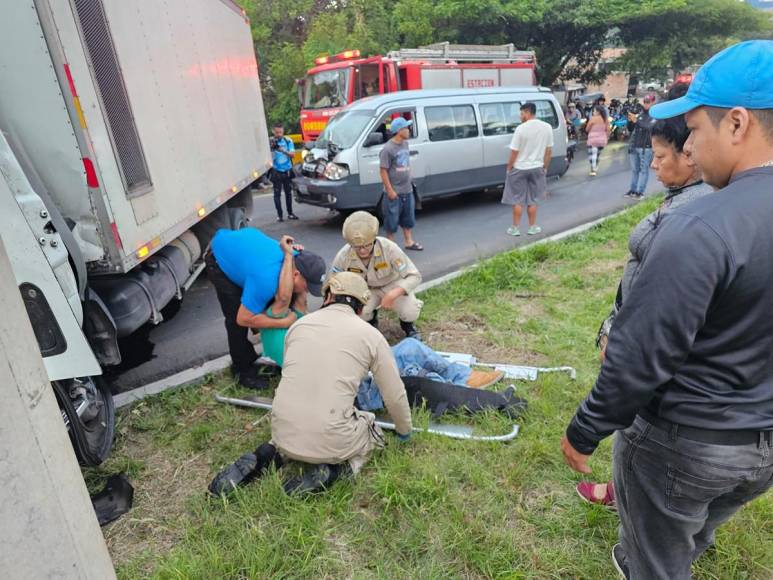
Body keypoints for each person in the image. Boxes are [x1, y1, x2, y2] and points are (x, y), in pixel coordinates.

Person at [561, 40, 773, 579]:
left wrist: (584, 428)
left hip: (687, 441)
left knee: (654, 561)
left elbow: (639, 354)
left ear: (737, 124)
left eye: (696, 130)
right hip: (761, 450)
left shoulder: (701, 227)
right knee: (689, 528)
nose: (692, 149)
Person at [578, 82, 713, 511]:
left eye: (660, 157)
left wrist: (619, 342)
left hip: (650, 362)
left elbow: (658, 313)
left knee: (637, 428)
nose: (654, 166)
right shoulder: (690, 200)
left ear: (690, 152)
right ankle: (626, 491)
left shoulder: (695, 215)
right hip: (640, 346)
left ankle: (631, 500)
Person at [205, 228, 325, 389]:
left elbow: (297, 304)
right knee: (236, 320)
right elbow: (243, 319)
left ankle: (263, 357)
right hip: (221, 257)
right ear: (296, 275)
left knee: (275, 305)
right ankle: (242, 370)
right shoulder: (266, 280)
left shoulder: (298, 257)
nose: (308, 291)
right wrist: (284, 323)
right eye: (308, 286)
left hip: (247, 252)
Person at [331, 211, 423, 339]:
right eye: (357, 247)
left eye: (366, 245)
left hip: (392, 284)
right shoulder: (344, 255)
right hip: (365, 290)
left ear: (373, 239)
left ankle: (408, 326)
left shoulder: (389, 248)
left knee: (410, 310)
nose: (362, 250)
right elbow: (333, 280)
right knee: (358, 315)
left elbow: (415, 276)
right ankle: (371, 319)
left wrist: (393, 294)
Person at [502, 102, 553, 237]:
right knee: (533, 199)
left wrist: (509, 167)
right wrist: (545, 167)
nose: (520, 116)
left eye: (522, 113)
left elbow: (514, 151)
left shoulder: (521, 129)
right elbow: (548, 151)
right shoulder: (547, 127)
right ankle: (532, 227)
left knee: (517, 199)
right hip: (537, 167)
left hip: (519, 167)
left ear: (528, 112)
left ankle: (515, 228)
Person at [380, 116, 423, 251]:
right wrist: (390, 190)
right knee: (391, 220)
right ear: (399, 130)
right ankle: (390, 246)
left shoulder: (405, 143)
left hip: (407, 189)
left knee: (408, 217)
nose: (408, 130)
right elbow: (383, 171)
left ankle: (408, 241)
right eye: (406, 128)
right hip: (394, 191)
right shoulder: (387, 149)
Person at [625, 94, 657, 200]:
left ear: (653, 102)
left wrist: (636, 120)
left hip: (646, 147)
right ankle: (632, 190)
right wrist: (630, 120)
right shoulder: (641, 114)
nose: (646, 104)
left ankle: (640, 192)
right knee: (635, 170)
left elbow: (648, 127)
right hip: (635, 145)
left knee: (644, 170)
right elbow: (630, 129)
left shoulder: (655, 115)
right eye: (645, 102)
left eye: (648, 102)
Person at [270, 123, 297, 222]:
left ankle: (290, 213)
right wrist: (272, 148)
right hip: (276, 171)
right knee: (277, 194)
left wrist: (282, 150)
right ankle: (279, 215)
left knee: (288, 193)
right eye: (277, 132)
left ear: (283, 132)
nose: (279, 134)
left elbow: (292, 155)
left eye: (280, 132)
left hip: (287, 170)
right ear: (273, 132)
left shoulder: (288, 140)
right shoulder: (270, 142)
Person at [585, 105, 610, 176]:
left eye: (594, 111)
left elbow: (587, 129)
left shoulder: (593, 119)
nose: (593, 112)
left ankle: (593, 168)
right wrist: (607, 137)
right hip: (602, 141)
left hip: (592, 140)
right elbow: (608, 130)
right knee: (597, 154)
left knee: (592, 154)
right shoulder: (605, 119)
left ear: (598, 112)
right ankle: (595, 165)